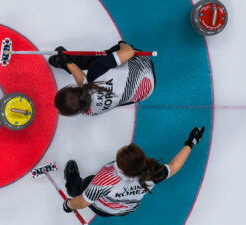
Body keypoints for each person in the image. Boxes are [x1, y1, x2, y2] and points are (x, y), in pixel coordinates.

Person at [62, 127, 205, 217]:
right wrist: (191, 144)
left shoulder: (105, 179)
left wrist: (68, 205)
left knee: (87, 182)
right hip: (125, 209)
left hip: (103, 207)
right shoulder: (152, 172)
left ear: (122, 168)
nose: (121, 149)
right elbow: (173, 167)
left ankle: (72, 185)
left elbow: (81, 203)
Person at [49, 41, 155, 116]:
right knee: (99, 62)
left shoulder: (90, 111)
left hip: (146, 92)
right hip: (142, 64)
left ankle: (69, 62)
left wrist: (68, 63)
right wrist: (120, 45)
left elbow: (83, 82)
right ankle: (113, 55)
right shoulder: (96, 71)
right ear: (71, 88)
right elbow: (129, 52)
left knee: (112, 88)